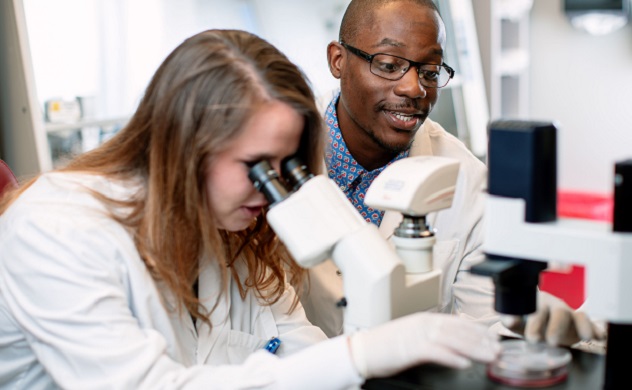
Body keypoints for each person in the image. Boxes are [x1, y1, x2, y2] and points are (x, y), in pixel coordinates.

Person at [0, 29, 500, 389]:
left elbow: (302, 350)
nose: (273, 188)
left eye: (287, 168)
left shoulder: (237, 233)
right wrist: (362, 353)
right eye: (255, 166)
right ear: (184, 147)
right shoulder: (54, 229)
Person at [301, 0, 604, 349]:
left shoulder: (469, 181)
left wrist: (530, 325)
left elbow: (490, 324)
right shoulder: (279, 152)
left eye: (430, 72)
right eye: (389, 65)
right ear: (338, 60)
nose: (414, 89)